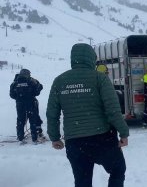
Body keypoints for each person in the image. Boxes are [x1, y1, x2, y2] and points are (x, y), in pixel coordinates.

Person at [46, 43, 129, 187]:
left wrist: (54, 137)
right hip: (102, 139)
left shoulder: (59, 81)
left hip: (75, 143)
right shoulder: (100, 78)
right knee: (117, 169)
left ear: (73, 58)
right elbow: (112, 110)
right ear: (92, 58)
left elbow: (52, 113)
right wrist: (124, 133)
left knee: (82, 181)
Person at [9, 68, 44, 144]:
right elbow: (37, 91)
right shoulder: (31, 81)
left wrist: (19, 98)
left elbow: (12, 95)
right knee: (33, 120)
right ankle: (34, 138)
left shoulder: (15, 82)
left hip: (20, 104)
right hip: (31, 103)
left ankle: (20, 137)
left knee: (21, 120)